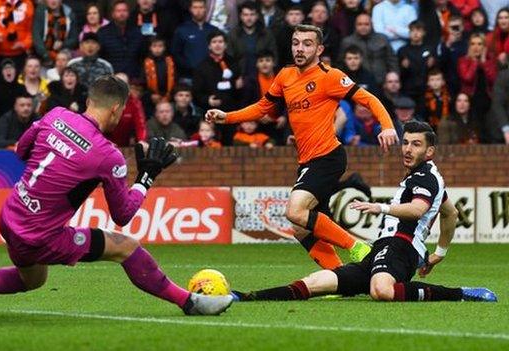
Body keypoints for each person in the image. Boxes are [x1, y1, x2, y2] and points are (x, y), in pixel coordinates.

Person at [0, 76, 233, 318]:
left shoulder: (55, 115)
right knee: (125, 246)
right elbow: (123, 213)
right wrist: (146, 177)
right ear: (116, 110)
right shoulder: (109, 156)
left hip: (11, 215)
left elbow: (21, 151)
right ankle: (190, 303)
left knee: (32, 279)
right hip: (41, 234)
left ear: (89, 101)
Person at [231, 121, 498, 304]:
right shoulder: (426, 176)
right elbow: (449, 213)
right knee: (317, 282)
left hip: (401, 248)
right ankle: (246, 296)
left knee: (381, 291)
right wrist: (440, 253)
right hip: (382, 249)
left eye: (415, 145)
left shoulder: (426, 177)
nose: (407, 149)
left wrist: (380, 207)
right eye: (405, 143)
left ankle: (461, 293)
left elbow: (417, 210)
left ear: (430, 151)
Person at [206, 24, 398, 270]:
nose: (299, 48)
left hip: (328, 156)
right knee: (300, 228)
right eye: (296, 43)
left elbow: (368, 99)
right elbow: (263, 108)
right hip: (307, 161)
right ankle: (338, 278)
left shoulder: (329, 76)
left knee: (295, 211)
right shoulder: (285, 76)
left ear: (319, 49)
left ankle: (357, 247)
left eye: (307, 44)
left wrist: (388, 126)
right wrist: (226, 117)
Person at [171, 0, 218, 83]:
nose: (198, 11)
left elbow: (218, 52)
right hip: (188, 77)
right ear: (190, 9)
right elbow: (175, 53)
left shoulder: (213, 30)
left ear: (205, 9)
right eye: (195, 7)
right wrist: (188, 65)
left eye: (201, 7)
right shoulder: (182, 30)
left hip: (210, 77)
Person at [97, 0, 144, 78]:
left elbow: (141, 55)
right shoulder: (103, 32)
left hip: (133, 77)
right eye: (118, 11)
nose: (122, 14)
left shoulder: (136, 32)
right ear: (113, 14)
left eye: (124, 11)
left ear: (128, 13)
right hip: (111, 76)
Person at [32, 0, 78, 67]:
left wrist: (63, 44)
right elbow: (36, 37)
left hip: (63, 56)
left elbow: (74, 39)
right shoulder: (40, 12)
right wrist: (45, 54)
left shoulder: (70, 14)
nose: (53, 1)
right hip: (42, 56)